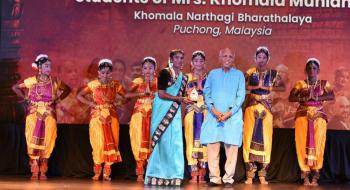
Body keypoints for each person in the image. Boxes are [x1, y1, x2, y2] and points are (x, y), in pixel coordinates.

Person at [12, 54, 71, 180]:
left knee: (48, 138)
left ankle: (44, 166)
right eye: (46, 66)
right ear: (39, 67)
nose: (49, 68)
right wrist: (25, 97)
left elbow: (67, 89)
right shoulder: (31, 80)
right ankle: (34, 165)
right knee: (31, 138)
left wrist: (58, 99)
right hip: (33, 112)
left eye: (50, 66)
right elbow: (15, 87)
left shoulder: (55, 81)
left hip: (49, 113)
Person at [144, 49, 192, 186]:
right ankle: (156, 175)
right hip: (161, 110)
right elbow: (161, 94)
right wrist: (180, 98)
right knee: (162, 142)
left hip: (174, 113)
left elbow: (182, 95)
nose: (180, 60)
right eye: (177, 57)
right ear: (171, 59)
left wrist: (188, 98)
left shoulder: (184, 77)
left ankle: (174, 176)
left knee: (174, 143)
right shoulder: (165, 73)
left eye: (182, 58)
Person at [200, 48, 246, 187]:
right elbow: (206, 93)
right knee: (212, 146)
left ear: (233, 58)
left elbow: (241, 95)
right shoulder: (213, 74)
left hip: (232, 116)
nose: (227, 58)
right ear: (219, 58)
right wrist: (213, 110)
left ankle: (228, 178)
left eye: (230, 56)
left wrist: (228, 113)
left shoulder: (239, 75)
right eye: (224, 56)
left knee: (231, 148)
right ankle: (214, 178)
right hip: (214, 116)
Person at [77, 58, 125, 181]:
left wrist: (118, 102)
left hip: (111, 116)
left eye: (108, 73)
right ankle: (97, 170)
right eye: (102, 72)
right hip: (97, 116)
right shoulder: (93, 84)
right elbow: (79, 95)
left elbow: (126, 96)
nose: (105, 75)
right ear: (98, 73)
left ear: (111, 73)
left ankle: (107, 172)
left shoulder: (116, 85)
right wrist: (91, 104)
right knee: (97, 142)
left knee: (113, 141)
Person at [289, 58, 335, 186]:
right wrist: (304, 97)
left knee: (319, 145)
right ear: (305, 70)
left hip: (319, 118)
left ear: (318, 70)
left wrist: (317, 97)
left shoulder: (324, 84)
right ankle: (305, 177)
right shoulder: (300, 84)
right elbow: (291, 97)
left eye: (314, 68)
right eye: (309, 68)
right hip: (302, 117)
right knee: (301, 144)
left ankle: (315, 176)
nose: (311, 70)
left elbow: (331, 96)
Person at [243, 46, 285, 185]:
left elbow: (282, 87)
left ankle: (262, 175)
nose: (261, 60)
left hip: (266, 109)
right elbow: (241, 86)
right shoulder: (249, 72)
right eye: (259, 57)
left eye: (264, 58)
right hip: (251, 107)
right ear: (255, 58)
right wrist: (255, 88)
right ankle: (250, 175)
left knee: (266, 139)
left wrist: (267, 88)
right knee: (249, 138)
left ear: (268, 59)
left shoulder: (273, 73)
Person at [127, 57, 158, 182]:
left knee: (152, 142)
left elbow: (164, 96)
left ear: (155, 70)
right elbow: (126, 95)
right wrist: (140, 94)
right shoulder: (137, 81)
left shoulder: (158, 82)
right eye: (145, 68)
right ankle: (140, 172)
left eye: (150, 68)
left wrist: (154, 94)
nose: (148, 71)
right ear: (142, 70)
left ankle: (151, 172)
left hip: (154, 114)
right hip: (139, 114)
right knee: (137, 141)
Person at [184, 50, 208, 184]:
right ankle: (193, 174)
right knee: (190, 142)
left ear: (204, 63)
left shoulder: (209, 78)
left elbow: (211, 96)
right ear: (191, 63)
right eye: (196, 61)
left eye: (201, 61)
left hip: (205, 112)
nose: (198, 63)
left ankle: (202, 175)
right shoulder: (186, 77)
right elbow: (181, 94)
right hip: (191, 112)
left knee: (205, 143)